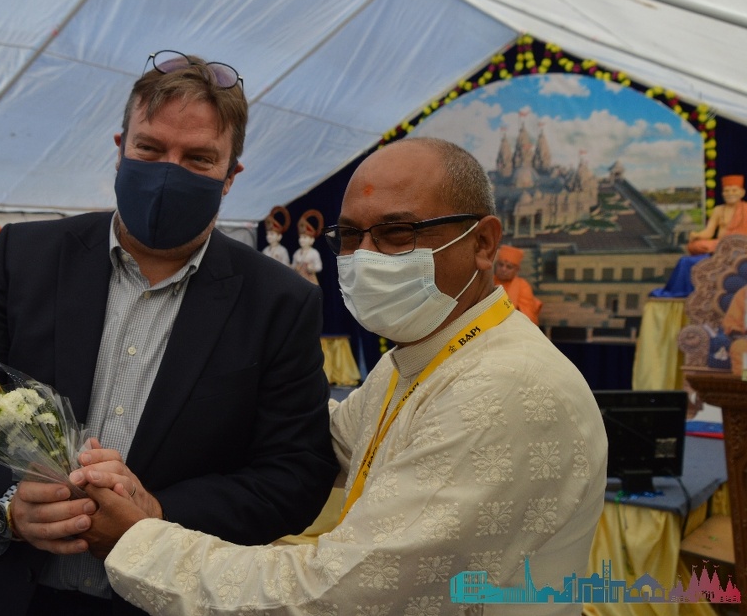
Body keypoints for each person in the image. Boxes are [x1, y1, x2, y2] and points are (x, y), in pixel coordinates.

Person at [80, 137, 608, 615]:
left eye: (398, 233)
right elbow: (314, 437)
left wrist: (137, 541)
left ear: (484, 243)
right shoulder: (420, 359)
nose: (365, 258)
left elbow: (337, 596)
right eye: (351, 236)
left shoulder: (502, 388)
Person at [0, 50, 338, 616]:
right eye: (150, 149)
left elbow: (295, 475)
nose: (168, 172)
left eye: (198, 158)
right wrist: (8, 506)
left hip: (161, 600)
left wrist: (156, 514)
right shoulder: (28, 257)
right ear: (120, 150)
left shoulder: (278, 302)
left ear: (230, 176)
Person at [687, 174, 747, 254]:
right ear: (722, 193)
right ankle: (726, 250)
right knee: (694, 245)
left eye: (734, 190)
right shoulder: (718, 210)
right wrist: (697, 235)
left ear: (742, 193)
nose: (730, 193)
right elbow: (709, 232)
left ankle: (728, 250)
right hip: (721, 243)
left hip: (742, 243)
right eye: (726, 191)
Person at [494, 244, 542, 324]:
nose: (503, 269)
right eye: (501, 265)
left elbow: (528, 317)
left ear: (517, 270)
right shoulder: (489, 282)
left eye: (509, 267)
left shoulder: (523, 286)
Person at [291, 208, 324, 284]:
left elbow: (319, 267)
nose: (302, 240)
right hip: (299, 281)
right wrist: (295, 267)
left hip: (310, 282)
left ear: (312, 240)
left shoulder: (314, 253)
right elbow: (293, 265)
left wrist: (312, 268)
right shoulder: (297, 253)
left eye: (305, 237)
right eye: (301, 237)